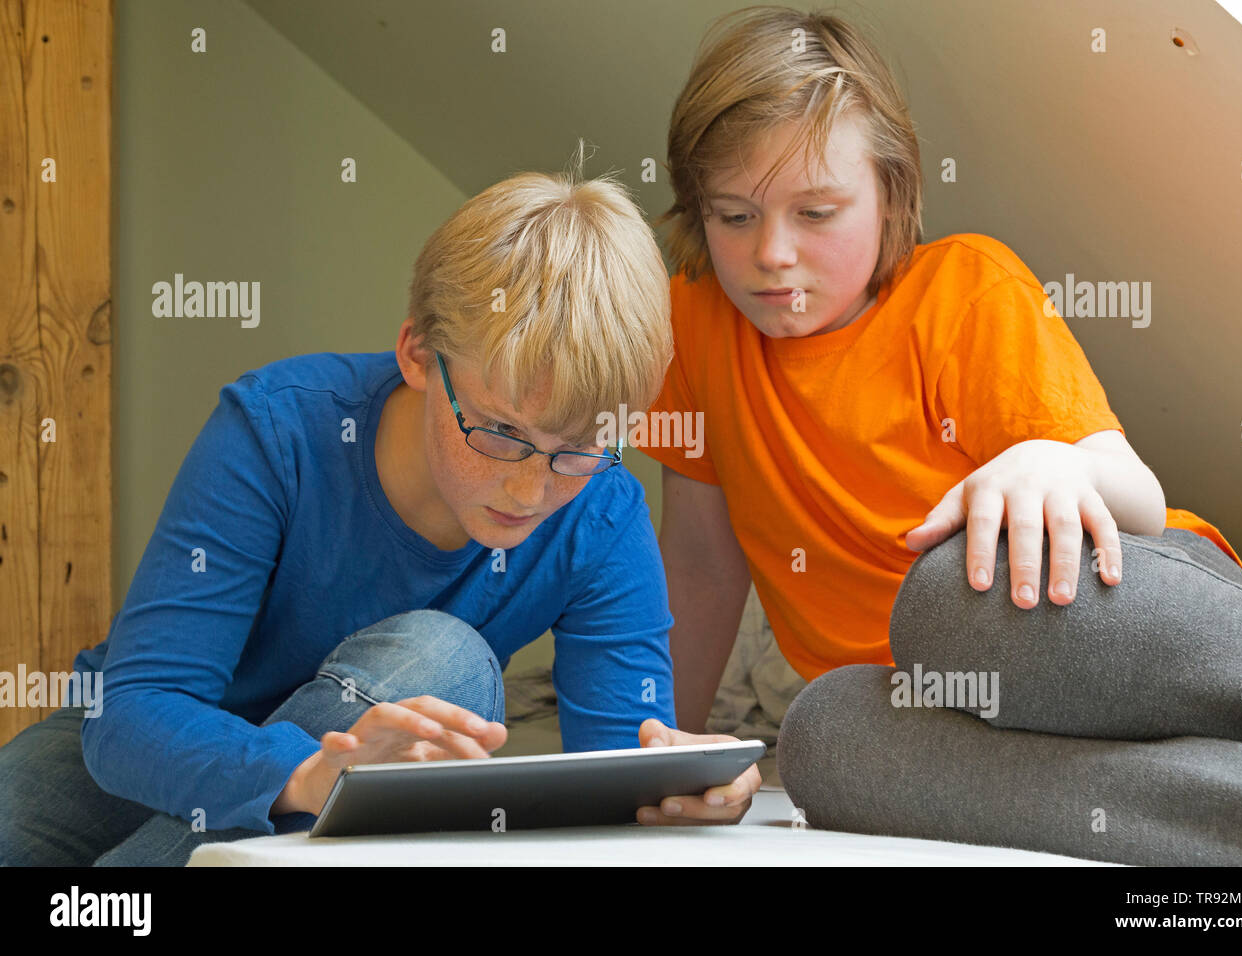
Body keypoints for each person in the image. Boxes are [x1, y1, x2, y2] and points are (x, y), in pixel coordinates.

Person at [639, 5, 1242, 862]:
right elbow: (697, 564)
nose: (771, 253)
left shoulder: (963, 289)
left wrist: (1049, 461)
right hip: (936, 701)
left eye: (818, 212)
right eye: (733, 216)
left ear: (891, 194)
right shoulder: (690, 325)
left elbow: (1138, 493)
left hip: (1102, 614)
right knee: (823, 737)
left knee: (949, 601)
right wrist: (656, 755)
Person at [0, 162, 760, 867]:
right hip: (165, 743)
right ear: (419, 355)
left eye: (582, 445)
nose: (533, 489)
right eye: (499, 433)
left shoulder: (601, 509)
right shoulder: (278, 430)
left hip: (345, 753)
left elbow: (615, 787)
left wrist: (681, 797)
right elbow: (134, 715)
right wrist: (310, 772)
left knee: (444, 663)